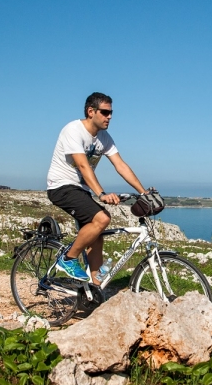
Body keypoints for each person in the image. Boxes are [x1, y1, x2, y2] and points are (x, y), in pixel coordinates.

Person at [46, 92, 147, 283]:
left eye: (111, 113)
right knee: (102, 218)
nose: (109, 117)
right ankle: (67, 259)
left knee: (96, 236)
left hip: (80, 190)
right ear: (91, 111)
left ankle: (95, 287)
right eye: (105, 112)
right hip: (61, 186)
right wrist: (101, 194)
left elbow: (121, 165)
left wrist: (144, 192)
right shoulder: (73, 130)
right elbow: (83, 166)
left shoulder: (104, 137)